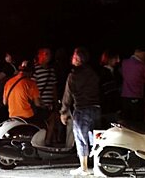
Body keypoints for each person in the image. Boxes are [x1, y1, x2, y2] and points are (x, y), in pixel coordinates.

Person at [60, 47, 100, 176]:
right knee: (95, 138)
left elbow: (68, 96)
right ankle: (98, 165)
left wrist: (64, 112)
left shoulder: (73, 76)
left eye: (73, 56)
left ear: (77, 59)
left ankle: (83, 167)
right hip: (96, 108)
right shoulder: (93, 73)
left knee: (80, 138)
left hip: (82, 109)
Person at [32, 48, 58, 144]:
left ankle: (46, 141)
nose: (49, 56)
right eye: (46, 54)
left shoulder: (51, 70)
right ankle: (44, 141)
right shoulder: (35, 69)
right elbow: (32, 86)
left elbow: (53, 87)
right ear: (40, 55)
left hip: (49, 102)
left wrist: (55, 102)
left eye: (49, 54)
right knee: (44, 122)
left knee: (51, 121)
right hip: (39, 102)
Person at [120, 47, 145, 122]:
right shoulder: (142, 65)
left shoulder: (124, 62)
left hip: (125, 95)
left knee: (126, 120)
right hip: (137, 96)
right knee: (137, 120)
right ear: (140, 53)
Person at [97, 49, 122, 128]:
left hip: (107, 108)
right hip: (109, 108)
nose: (118, 61)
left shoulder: (109, 72)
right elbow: (111, 93)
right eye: (115, 58)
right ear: (110, 59)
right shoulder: (106, 74)